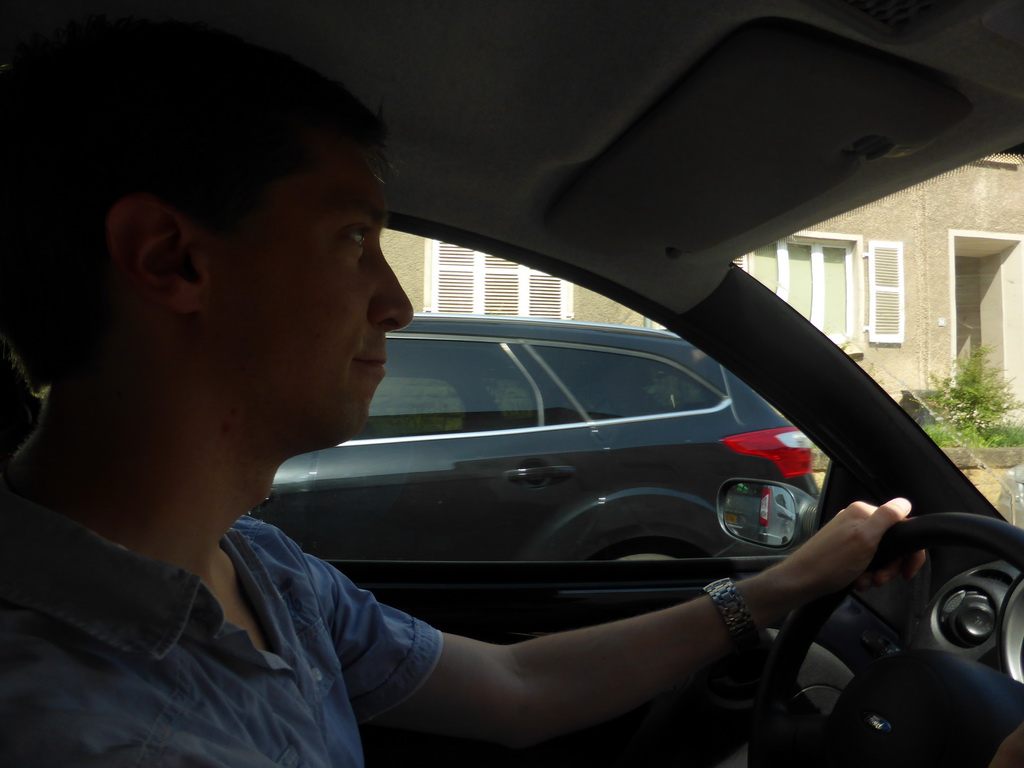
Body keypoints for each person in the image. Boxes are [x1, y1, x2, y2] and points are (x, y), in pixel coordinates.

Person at [0, 16, 1013, 767]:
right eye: (354, 239)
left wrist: (782, 586)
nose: (395, 302)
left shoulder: (255, 568)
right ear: (172, 259)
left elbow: (513, 685)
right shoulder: (64, 725)